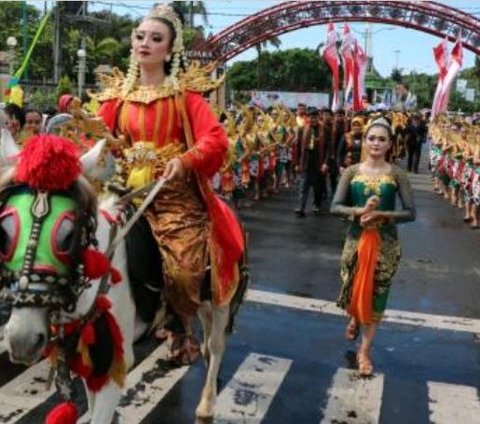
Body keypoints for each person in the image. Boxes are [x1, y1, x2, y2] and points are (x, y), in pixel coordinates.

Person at [93, 3, 244, 364]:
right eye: (140, 36)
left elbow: (215, 140)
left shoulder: (185, 98)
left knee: (184, 267)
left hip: (173, 197)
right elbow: (95, 140)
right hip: (124, 192)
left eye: (155, 38)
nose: (145, 43)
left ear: (170, 49)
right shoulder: (116, 99)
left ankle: (181, 323)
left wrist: (185, 159)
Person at [330, 116, 416, 376]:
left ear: (390, 144)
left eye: (382, 139)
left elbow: (411, 213)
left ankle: (364, 351)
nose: (376, 143)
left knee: (377, 295)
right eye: (372, 138)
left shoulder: (397, 174)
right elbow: (335, 207)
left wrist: (383, 216)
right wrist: (359, 211)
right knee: (353, 286)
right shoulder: (351, 171)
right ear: (364, 142)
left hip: (385, 246)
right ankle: (354, 316)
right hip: (355, 243)